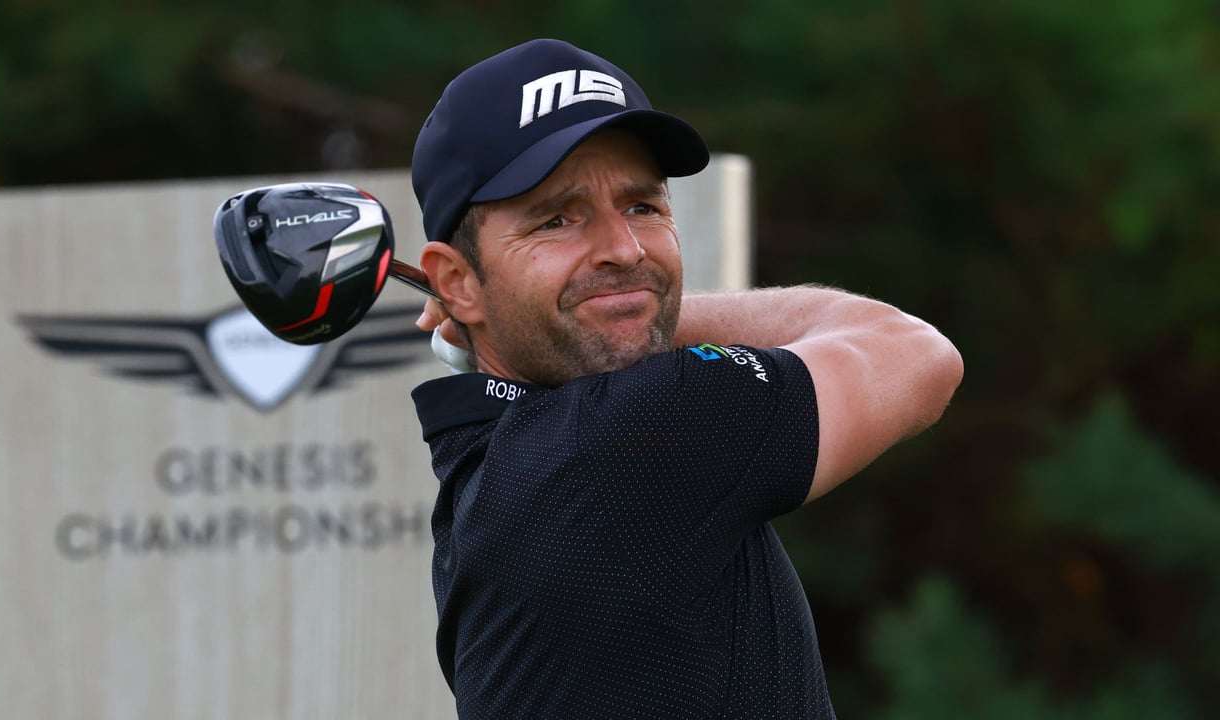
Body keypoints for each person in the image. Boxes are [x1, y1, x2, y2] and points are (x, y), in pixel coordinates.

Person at [407, 38, 963, 719]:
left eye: (643, 206)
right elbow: (914, 353)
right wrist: (628, 310)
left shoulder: (490, 461)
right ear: (456, 283)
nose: (624, 248)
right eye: (557, 218)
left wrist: (581, 308)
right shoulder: (635, 433)